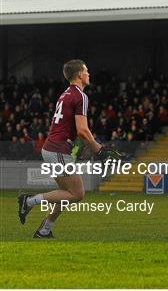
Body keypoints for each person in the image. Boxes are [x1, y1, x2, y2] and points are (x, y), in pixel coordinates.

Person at [17, 59, 120, 238]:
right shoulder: (80, 95)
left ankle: (44, 230)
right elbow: (82, 130)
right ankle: (30, 200)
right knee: (77, 193)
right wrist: (99, 150)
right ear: (79, 74)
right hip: (58, 149)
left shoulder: (66, 94)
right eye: (87, 70)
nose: (89, 74)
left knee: (66, 194)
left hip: (52, 148)